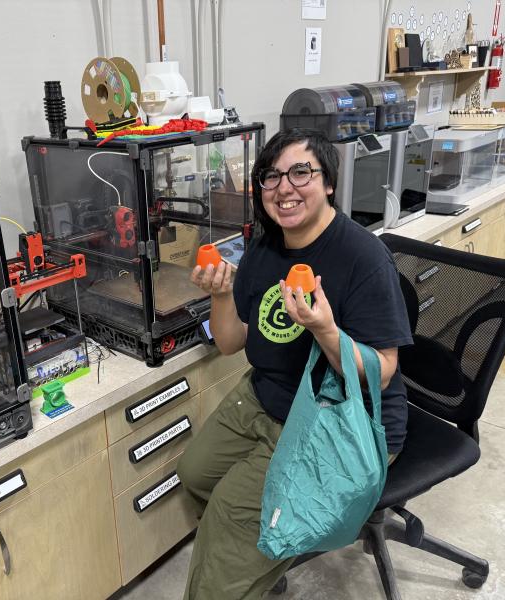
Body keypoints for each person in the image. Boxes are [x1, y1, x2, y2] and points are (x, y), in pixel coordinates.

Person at [177, 128, 413, 599]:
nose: (284, 188)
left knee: (228, 519)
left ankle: (238, 564)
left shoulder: (362, 258)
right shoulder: (264, 249)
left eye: (301, 172)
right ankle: (268, 545)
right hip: (267, 397)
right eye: (271, 176)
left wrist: (324, 329)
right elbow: (229, 343)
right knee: (195, 475)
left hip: (339, 417)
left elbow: (383, 369)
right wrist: (222, 294)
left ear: (328, 182)